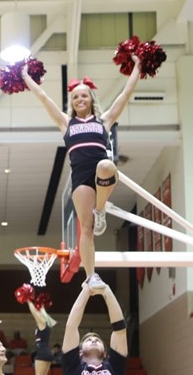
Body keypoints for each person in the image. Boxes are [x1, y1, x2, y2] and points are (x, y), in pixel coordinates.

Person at [23, 55, 142, 288]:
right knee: (85, 229)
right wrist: (26, 76)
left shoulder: (104, 121)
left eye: (84, 95)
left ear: (91, 99)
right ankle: (90, 276)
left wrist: (137, 67)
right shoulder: (66, 123)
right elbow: (43, 97)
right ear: (72, 101)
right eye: (75, 96)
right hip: (81, 180)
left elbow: (125, 94)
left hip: (102, 175)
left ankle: (100, 210)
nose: (79, 99)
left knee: (106, 165)